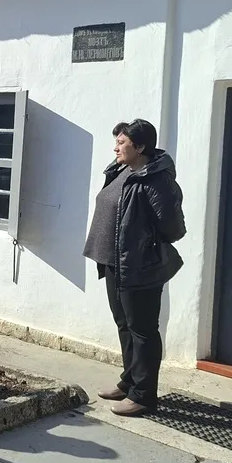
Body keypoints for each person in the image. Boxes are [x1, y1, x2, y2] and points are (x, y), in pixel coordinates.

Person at [83, 119, 186, 417]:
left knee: (143, 331)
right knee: (125, 325)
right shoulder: (121, 171)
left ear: (140, 147)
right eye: (116, 141)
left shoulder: (157, 180)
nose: (115, 147)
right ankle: (130, 382)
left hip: (139, 266)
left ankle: (143, 396)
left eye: (122, 142)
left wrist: (142, 245)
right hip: (114, 262)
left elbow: (173, 227)